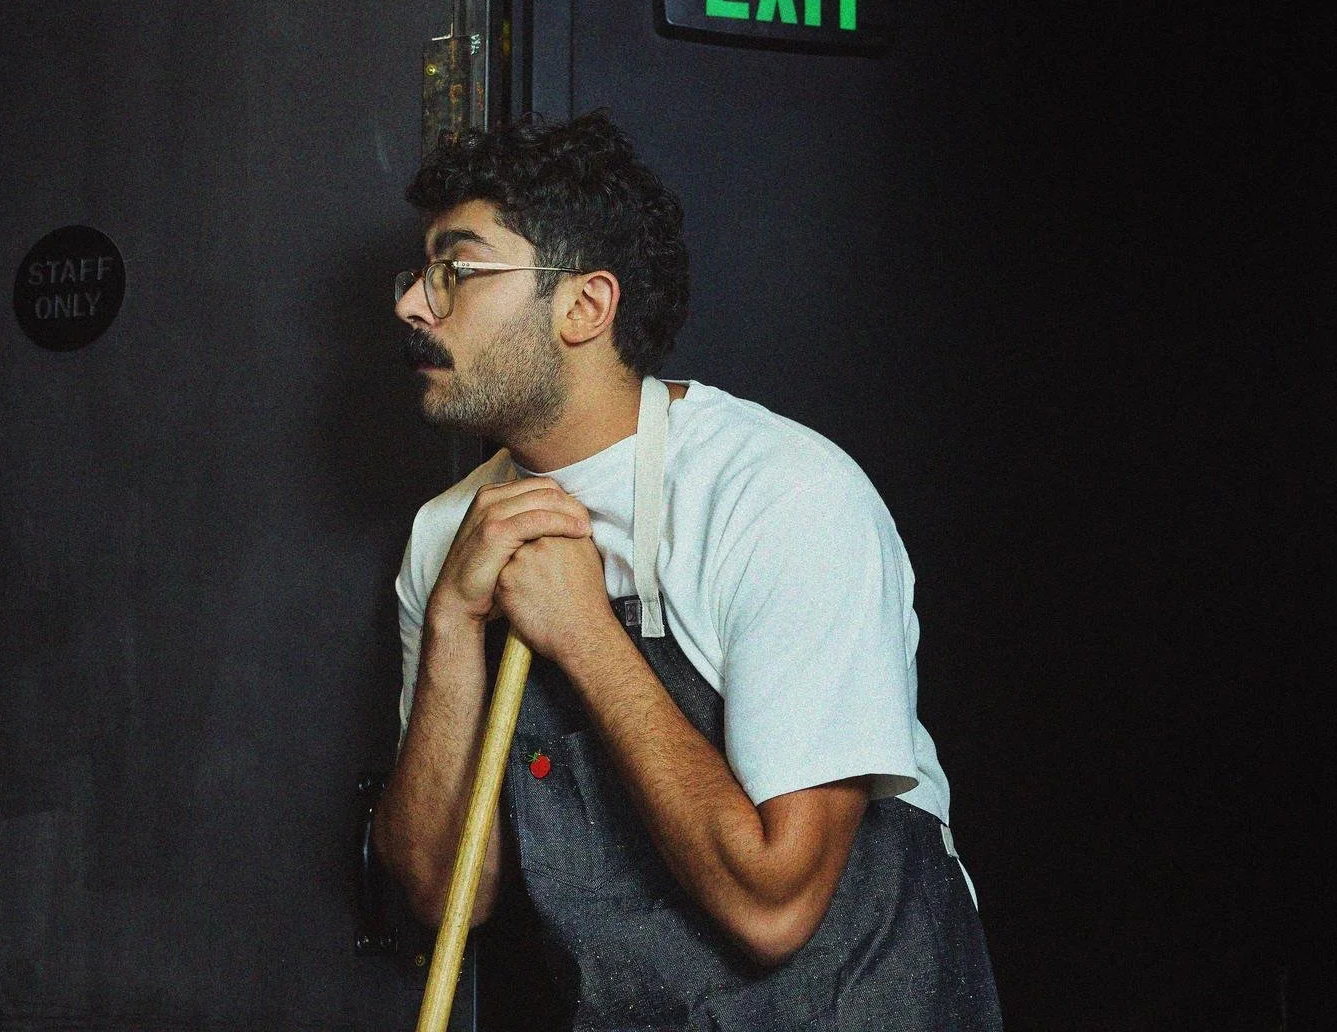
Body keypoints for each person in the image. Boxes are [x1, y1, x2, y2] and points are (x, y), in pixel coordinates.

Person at [374, 111, 1002, 1030]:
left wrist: (584, 633)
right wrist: (452, 622)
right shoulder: (447, 534)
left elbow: (775, 909)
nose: (412, 306)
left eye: (456, 272)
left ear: (584, 306)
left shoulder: (780, 495)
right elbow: (443, 895)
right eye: (417, 275)